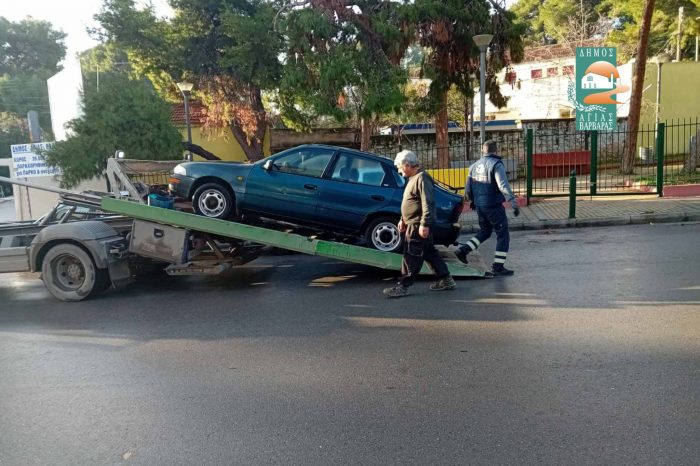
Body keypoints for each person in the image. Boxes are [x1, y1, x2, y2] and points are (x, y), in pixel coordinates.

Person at [383, 150, 456, 298]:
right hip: (413, 223)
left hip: (417, 225)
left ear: (408, 165)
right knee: (429, 253)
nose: (398, 170)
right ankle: (446, 279)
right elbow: (411, 202)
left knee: (411, 256)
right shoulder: (413, 178)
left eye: (399, 167)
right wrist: (403, 220)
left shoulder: (422, 178)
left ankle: (402, 286)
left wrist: (425, 224)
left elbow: (427, 202)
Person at [454, 140, 520, 276]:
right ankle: (498, 266)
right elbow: (502, 185)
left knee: (485, 231)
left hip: (480, 206)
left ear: (483, 150)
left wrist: (473, 201)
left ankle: (463, 250)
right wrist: (513, 202)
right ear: (495, 150)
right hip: (493, 205)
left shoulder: (473, 166)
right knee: (503, 234)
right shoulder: (496, 164)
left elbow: (468, 189)